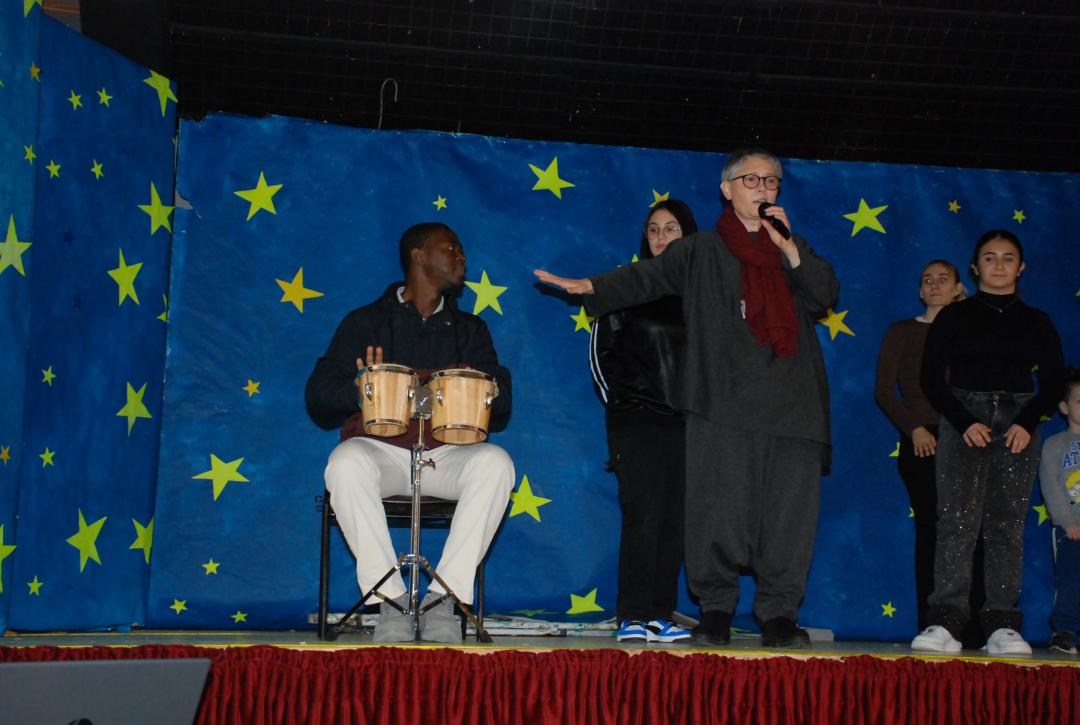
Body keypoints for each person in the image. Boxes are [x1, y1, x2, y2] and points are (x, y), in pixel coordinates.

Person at [536, 148, 839, 648]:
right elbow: (646, 276)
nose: (763, 188)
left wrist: (789, 249)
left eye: (771, 181)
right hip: (722, 402)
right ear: (727, 189)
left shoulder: (793, 247)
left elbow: (825, 294)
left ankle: (779, 615)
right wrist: (590, 285)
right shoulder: (701, 250)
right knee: (716, 512)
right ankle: (716, 610)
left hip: (793, 405)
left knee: (789, 518)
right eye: (751, 180)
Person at [305, 222, 514, 644]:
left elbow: (503, 407)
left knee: (496, 464)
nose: (462, 257)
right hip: (383, 453)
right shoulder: (364, 322)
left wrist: (483, 388)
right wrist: (360, 388)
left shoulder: (470, 329)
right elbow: (317, 397)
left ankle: (443, 599)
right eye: (451, 248)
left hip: (446, 455)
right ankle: (392, 600)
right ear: (419, 256)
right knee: (345, 463)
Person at [912, 230, 1065, 655]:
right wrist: (964, 422)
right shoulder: (953, 317)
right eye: (990, 257)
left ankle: (1001, 623)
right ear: (976, 267)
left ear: (1021, 267)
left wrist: (1027, 422)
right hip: (964, 420)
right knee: (957, 522)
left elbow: (1053, 382)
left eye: (1008, 258)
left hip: (1018, 426)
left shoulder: (1037, 321)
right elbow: (930, 379)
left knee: (1006, 525)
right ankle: (946, 622)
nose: (999, 265)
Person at [589, 200, 698, 643]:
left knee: (675, 520)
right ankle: (632, 615)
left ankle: (659, 614)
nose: (661, 237)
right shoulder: (626, 287)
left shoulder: (705, 294)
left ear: (689, 236)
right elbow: (600, 358)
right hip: (637, 421)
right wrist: (622, 408)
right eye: (653, 229)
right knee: (644, 515)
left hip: (689, 424)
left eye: (671, 228)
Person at [875, 260, 987, 641]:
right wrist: (914, 429)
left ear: (959, 288)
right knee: (932, 530)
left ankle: (974, 626)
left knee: (972, 530)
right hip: (923, 439)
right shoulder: (903, 331)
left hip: (967, 436)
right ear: (920, 291)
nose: (935, 285)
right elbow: (884, 391)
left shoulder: (970, 333)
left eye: (943, 279)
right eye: (927, 280)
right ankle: (934, 622)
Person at [1040, 365, 1080, 655]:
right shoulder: (1055, 445)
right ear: (1064, 407)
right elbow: (1051, 487)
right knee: (1070, 581)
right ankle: (1064, 631)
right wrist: (1067, 522)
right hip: (1071, 530)